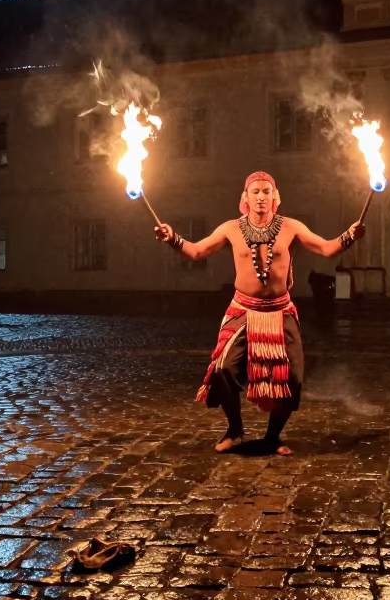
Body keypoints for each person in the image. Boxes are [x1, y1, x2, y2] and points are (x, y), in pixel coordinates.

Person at [154, 172, 364, 455]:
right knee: (223, 369)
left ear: (275, 197)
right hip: (242, 310)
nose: (261, 197)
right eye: (255, 192)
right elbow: (197, 252)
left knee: (293, 378)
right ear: (246, 198)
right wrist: (172, 238)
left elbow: (326, 248)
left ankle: (272, 437)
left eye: (266, 191)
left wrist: (350, 235)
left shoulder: (290, 227)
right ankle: (235, 428)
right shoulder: (231, 228)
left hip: (280, 312)